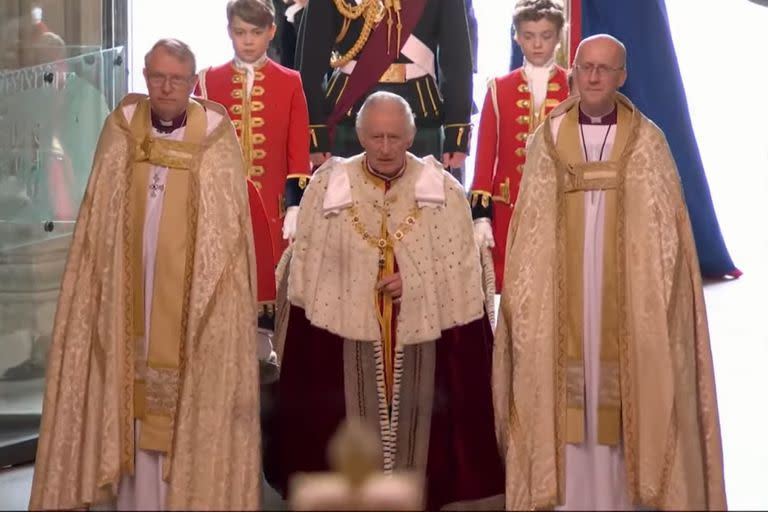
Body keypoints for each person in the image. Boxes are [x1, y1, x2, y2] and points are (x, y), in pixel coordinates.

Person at [493, 34, 727, 510]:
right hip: (563, 299)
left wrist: (652, 301)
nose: (594, 77)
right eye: (586, 68)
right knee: (564, 386)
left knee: (629, 383)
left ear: (622, 76)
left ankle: (629, 497)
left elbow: (667, 237)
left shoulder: (647, 141)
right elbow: (530, 231)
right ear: (573, 71)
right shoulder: (549, 139)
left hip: (625, 298)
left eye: (605, 69)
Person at [28, 38, 263, 510]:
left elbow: (227, 238)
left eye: (176, 79)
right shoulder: (121, 131)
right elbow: (98, 223)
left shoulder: (215, 138)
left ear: (193, 82)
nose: (166, 88)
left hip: (187, 308)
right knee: (128, 398)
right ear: (144, 75)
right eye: (156, 77)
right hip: (128, 298)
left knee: (181, 402)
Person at [270, 91, 504, 509]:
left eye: (394, 137)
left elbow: (462, 273)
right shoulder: (328, 184)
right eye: (375, 136)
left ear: (411, 137)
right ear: (360, 136)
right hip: (343, 341)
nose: (384, 147)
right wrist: (355, 278)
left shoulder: (443, 190)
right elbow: (307, 267)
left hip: (419, 344)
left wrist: (414, 280)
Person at [195, 0, 311, 330]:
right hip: (222, 208)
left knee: (271, 293)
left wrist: (295, 205)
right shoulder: (207, 82)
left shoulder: (290, 82)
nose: (248, 40)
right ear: (229, 32)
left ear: (271, 32)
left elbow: (298, 150)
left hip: (274, 209)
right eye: (240, 32)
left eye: (256, 32)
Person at [296, 0, 473, 174]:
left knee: (421, 199)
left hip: (419, 112)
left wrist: (457, 131)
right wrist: (315, 131)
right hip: (349, 111)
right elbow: (312, 63)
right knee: (348, 199)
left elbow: (456, 58)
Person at [470, 0, 569, 292]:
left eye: (546, 35)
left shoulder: (573, 85)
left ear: (558, 36)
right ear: (517, 37)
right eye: (528, 35)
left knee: (555, 285)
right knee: (510, 286)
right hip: (507, 209)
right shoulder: (498, 89)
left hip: (559, 205)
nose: (537, 44)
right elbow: (485, 157)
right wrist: (481, 217)